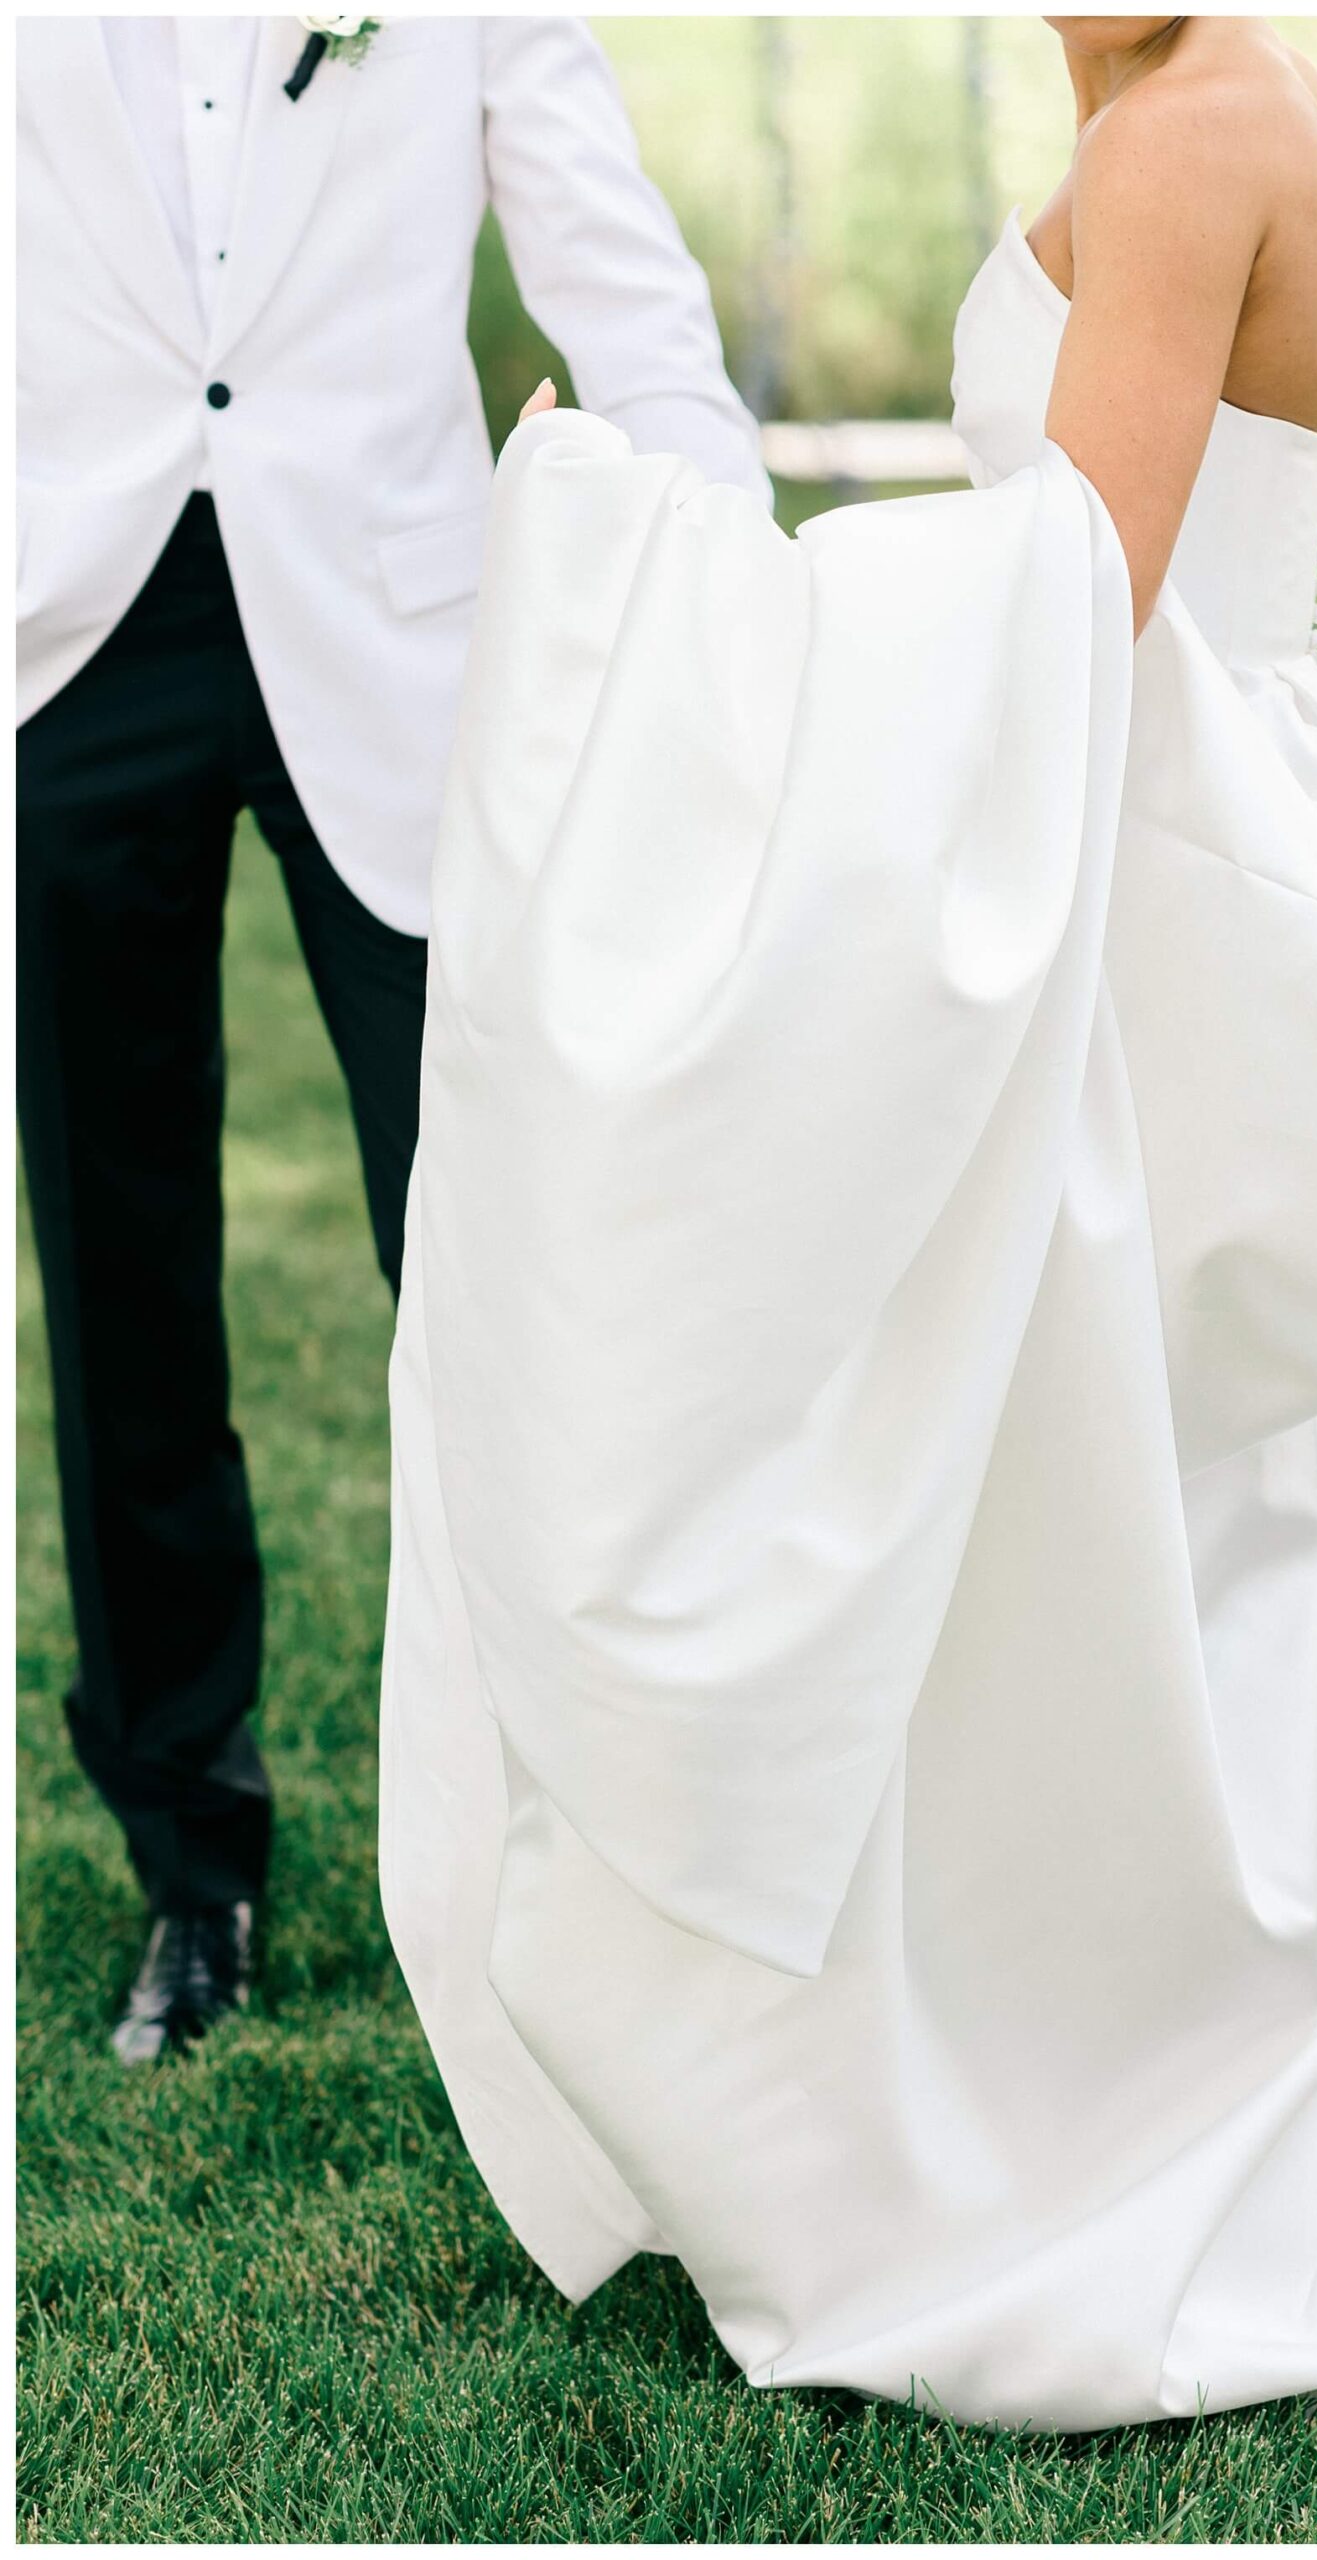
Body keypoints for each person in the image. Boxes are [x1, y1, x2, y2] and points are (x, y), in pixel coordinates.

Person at [380, 17, 1317, 2429]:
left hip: (1139, 857)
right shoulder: (1174, 106)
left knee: (1138, 1501)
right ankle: (1097, 2013)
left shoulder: (1195, 139)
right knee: (1158, 1523)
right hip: (1148, 808)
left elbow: (1057, 603)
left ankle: (1125, 2080)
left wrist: (642, 574)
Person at [15, 14, 767, 2066]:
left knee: (502, 1254)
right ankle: (196, 1860)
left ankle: (595, 1834)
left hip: (401, 636)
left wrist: (736, 587)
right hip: (65, 645)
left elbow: (609, 252)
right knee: (120, 1275)